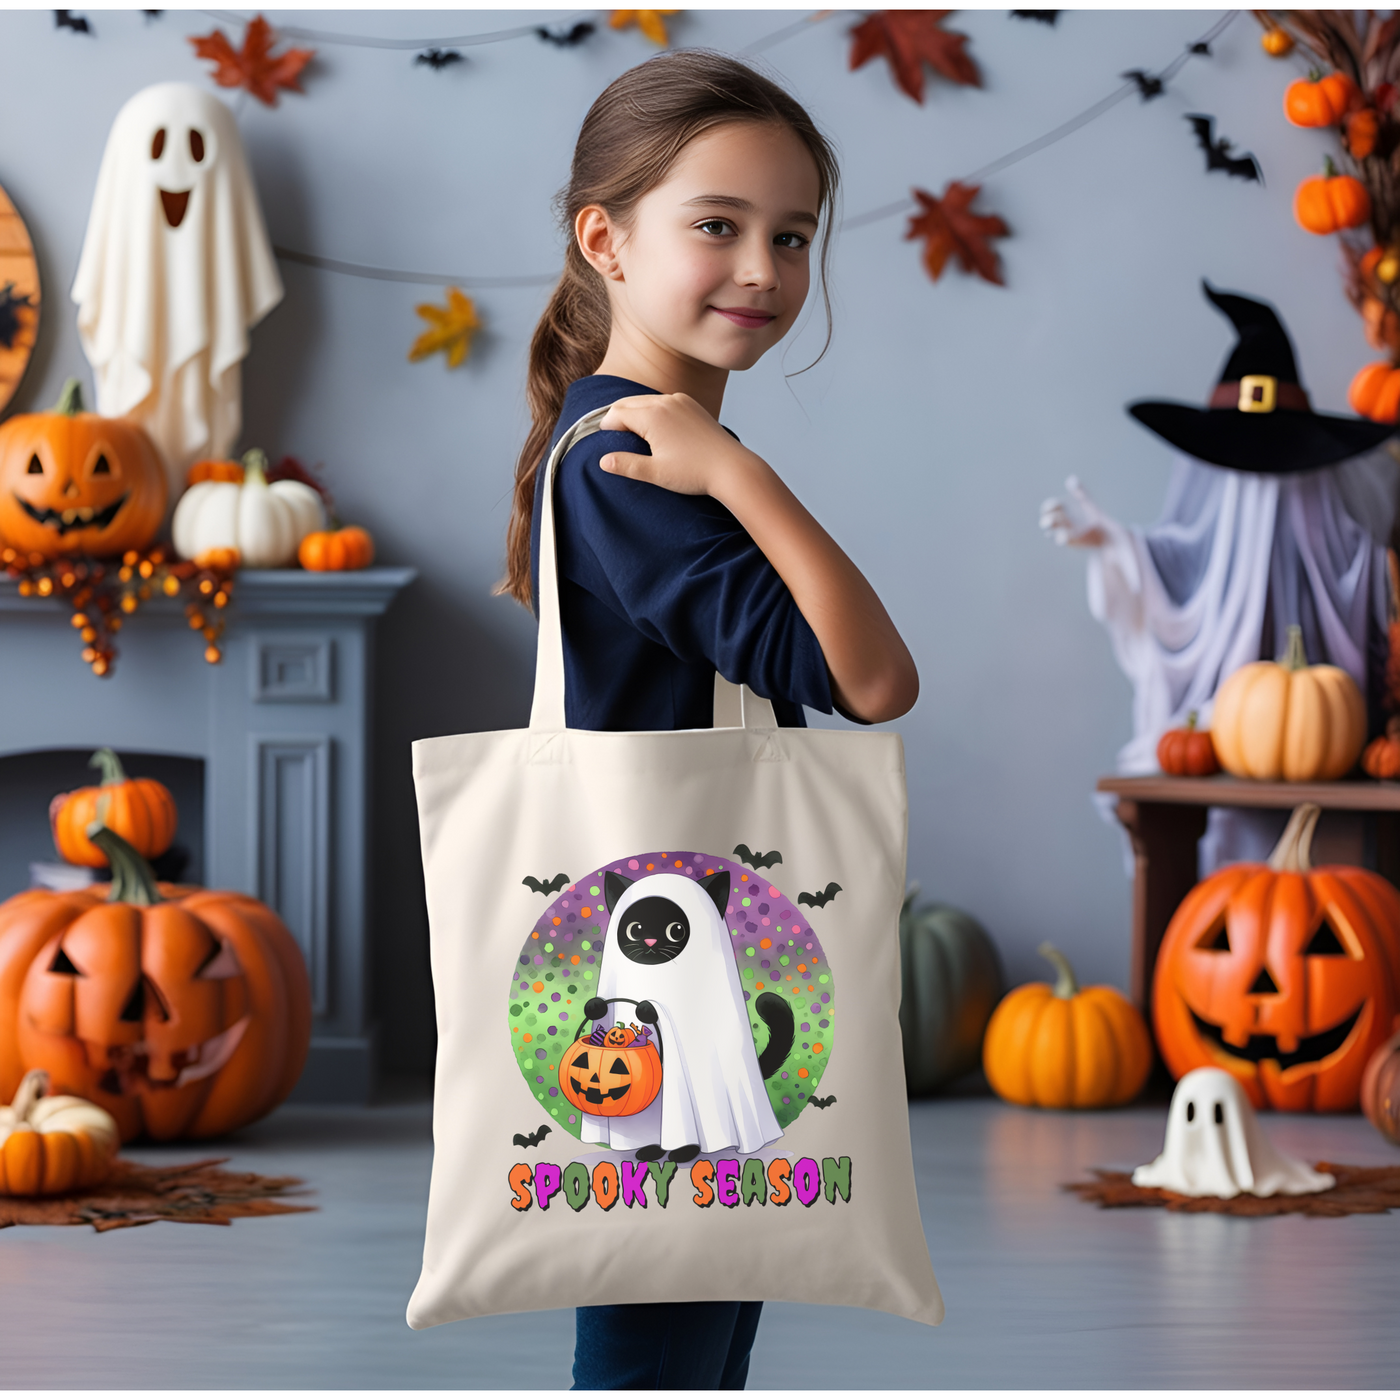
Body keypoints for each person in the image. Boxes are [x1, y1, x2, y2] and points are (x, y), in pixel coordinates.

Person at [499, 49, 918, 1391]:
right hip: (670, 962)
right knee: (663, 1301)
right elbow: (874, 679)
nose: (763, 268)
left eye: (792, 236)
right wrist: (739, 469)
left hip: (673, 947)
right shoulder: (642, 461)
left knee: (685, 1285)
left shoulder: (616, 436)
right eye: (716, 226)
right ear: (604, 240)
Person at [1041, 283, 1398, 867]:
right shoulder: (1209, 518)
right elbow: (1177, 562)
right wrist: (1113, 547)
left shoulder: (1339, 537)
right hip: (1224, 736)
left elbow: (1368, 581)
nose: (1259, 491)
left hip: (1326, 740)